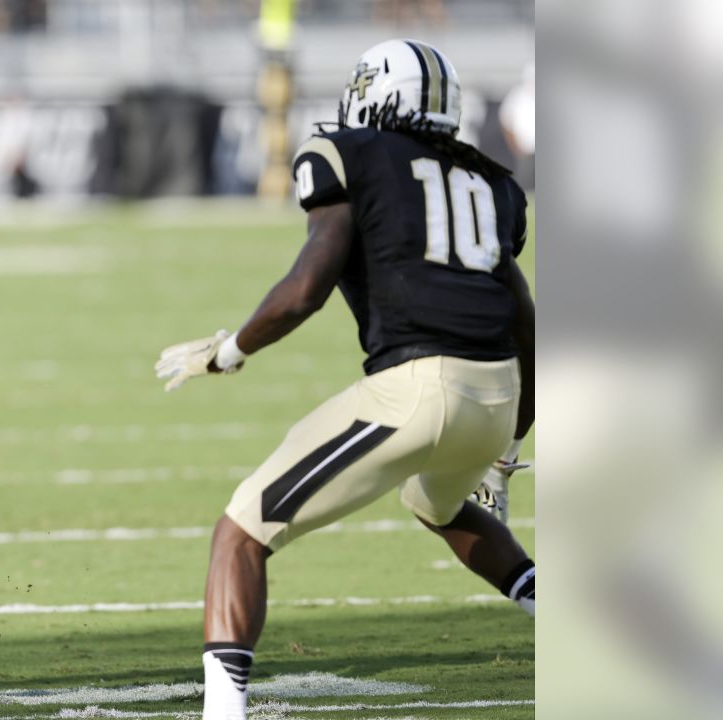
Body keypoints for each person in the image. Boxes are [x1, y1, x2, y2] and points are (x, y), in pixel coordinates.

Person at [154, 40, 535, 720]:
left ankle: (222, 712)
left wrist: (230, 350)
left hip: (419, 388)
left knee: (240, 530)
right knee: (437, 505)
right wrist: (507, 442)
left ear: (378, 94)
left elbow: (306, 287)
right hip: (497, 392)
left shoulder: (349, 152)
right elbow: (524, 318)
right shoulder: (493, 181)